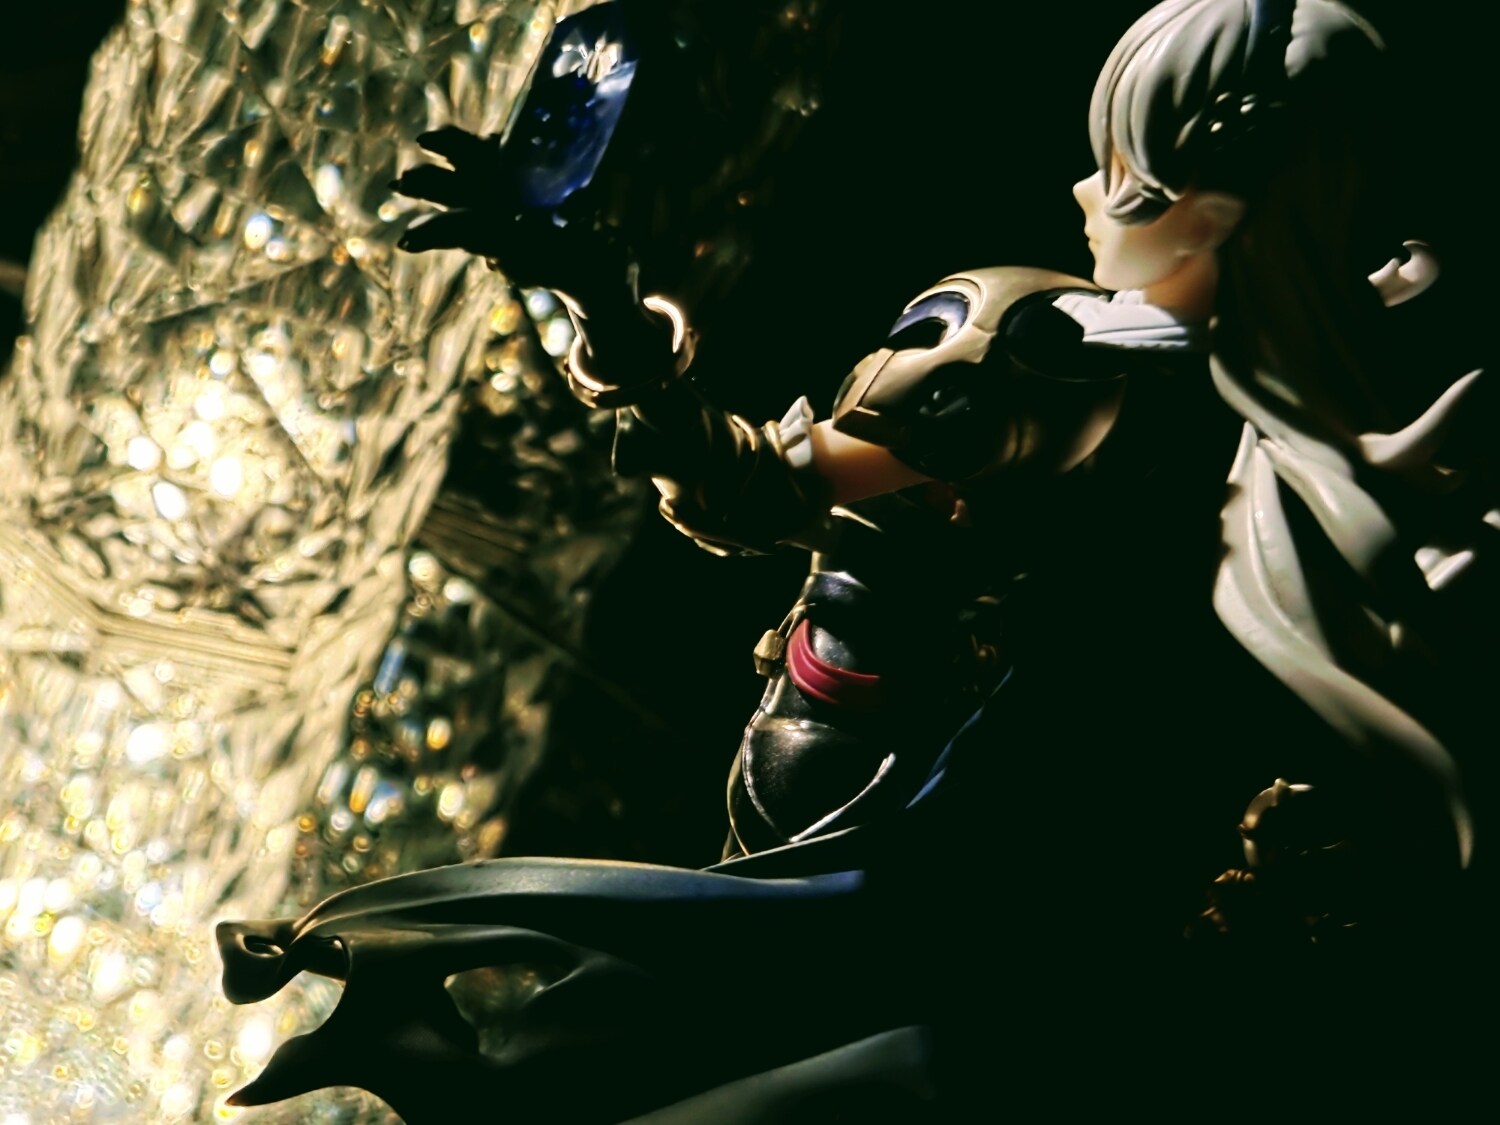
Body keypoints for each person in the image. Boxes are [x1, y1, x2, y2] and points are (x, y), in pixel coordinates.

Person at [219, 1, 1492, 1117]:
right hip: (889, 802)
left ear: (1207, 213)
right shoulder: (1244, 404)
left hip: (981, 863)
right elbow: (755, 495)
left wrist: (596, 297)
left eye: (1120, 178)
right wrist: (599, 303)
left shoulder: (1063, 364)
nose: (1081, 193)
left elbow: (746, 491)